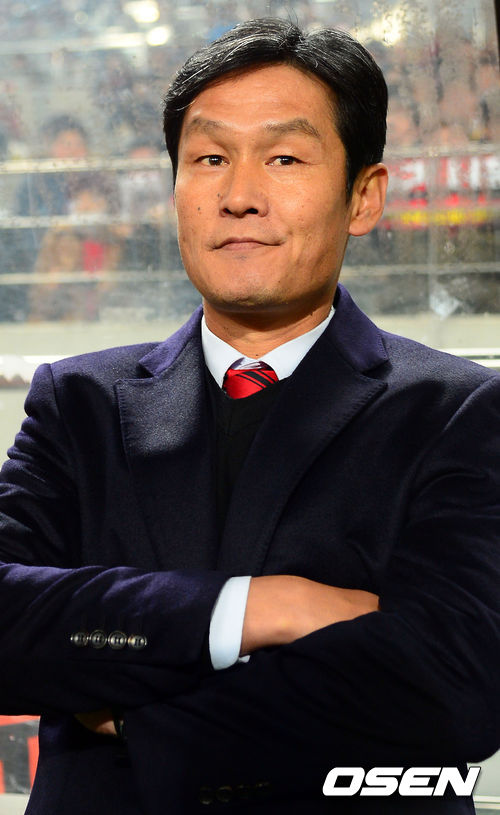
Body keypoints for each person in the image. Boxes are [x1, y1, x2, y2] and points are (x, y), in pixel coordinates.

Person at [0, 18, 499, 815]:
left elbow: (455, 679)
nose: (238, 195)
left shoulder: (458, 409)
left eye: (284, 158)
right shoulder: (78, 403)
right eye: (209, 159)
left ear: (364, 196)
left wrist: (134, 716)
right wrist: (260, 609)